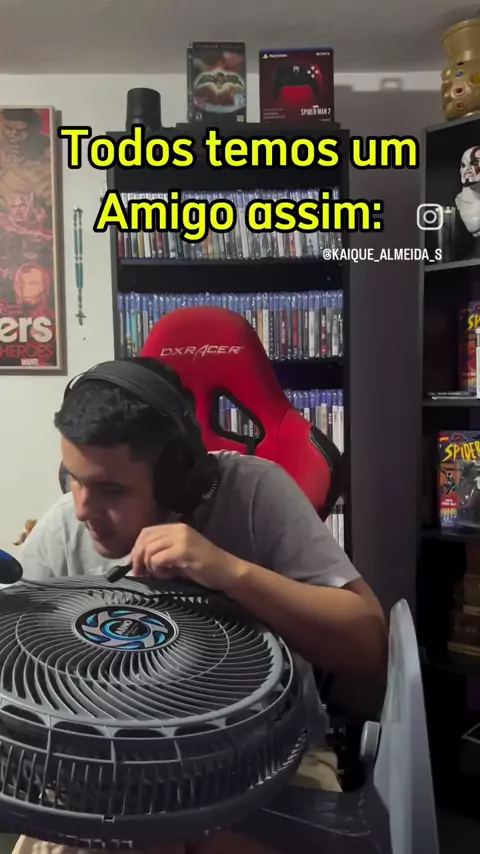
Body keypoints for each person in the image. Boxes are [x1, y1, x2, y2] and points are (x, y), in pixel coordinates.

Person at [14, 356, 387, 854]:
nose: (83, 509)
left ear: (177, 478)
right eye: (74, 478)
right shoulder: (69, 522)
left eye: (110, 489)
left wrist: (231, 572)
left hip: (266, 766)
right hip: (107, 779)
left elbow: (368, 644)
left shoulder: (256, 492)